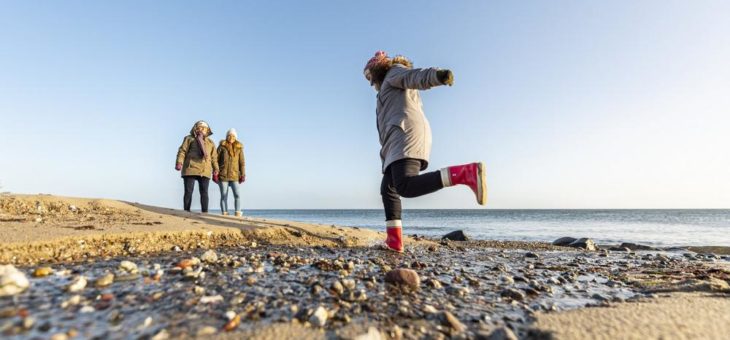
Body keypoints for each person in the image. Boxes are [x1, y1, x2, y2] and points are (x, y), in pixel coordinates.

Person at [363, 51, 487, 253]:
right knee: (388, 189)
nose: (369, 83)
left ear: (377, 69)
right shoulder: (386, 87)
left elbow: (414, 76)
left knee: (405, 186)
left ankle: (465, 173)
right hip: (395, 143)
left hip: (405, 136)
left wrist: (438, 76)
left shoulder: (394, 73)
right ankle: (394, 242)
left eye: (369, 76)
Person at [175, 120, 219, 213]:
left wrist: (216, 170)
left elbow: (214, 158)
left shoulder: (211, 142)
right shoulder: (189, 138)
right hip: (190, 168)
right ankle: (186, 212)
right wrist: (179, 162)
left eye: (204, 128)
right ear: (196, 128)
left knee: (204, 192)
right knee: (188, 192)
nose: (201, 129)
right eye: (199, 127)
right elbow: (182, 151)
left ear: (207, 130)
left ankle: (205, 213)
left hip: (205, 170)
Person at [217, 128, 246, 216]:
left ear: (235, 137)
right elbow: (215, 160)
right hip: (223, 175)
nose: (231, 137)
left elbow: (242, 162)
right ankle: (224, 213)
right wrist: (215, 172)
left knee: (237, 195)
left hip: (235, 176)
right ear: (227, 136)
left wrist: (243, 174)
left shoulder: (239, 148)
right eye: (229, 135)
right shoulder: (221, 147)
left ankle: (237, 212)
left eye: (233, 135)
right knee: (224, 195)